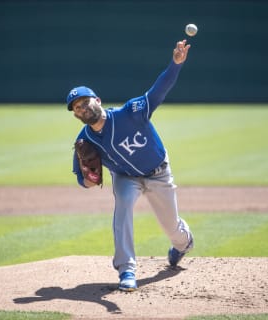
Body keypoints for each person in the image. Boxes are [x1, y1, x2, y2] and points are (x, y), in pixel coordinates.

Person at [66, 39, 194, 292]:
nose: (82, 108)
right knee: (123, 206)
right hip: (126, 178)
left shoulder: (131, 112)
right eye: (77, 108)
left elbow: (160, 89)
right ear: (76, 115)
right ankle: (126, 270)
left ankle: (183, 244)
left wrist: (176, 64)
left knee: (173, 229)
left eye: (84, 102)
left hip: (159, 174)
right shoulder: (85, 139)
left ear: (98, 100)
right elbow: (82, 179)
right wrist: (88, 180)